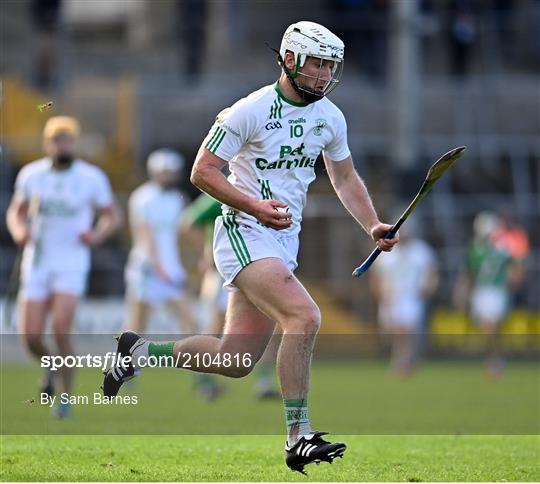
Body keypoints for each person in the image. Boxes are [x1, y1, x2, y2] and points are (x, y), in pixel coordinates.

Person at [103, 21, 398, 474]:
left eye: (330, 67)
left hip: (282, 239)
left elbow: (343, 178)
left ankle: (138, 353)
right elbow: (203, 172)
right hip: (242, 230)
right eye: (317, 64)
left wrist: (372, 224)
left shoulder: (329, 117)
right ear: (290, 59)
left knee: (235, 359)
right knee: (305, 315)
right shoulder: (248, 111)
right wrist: (254, 207)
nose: (324, 75)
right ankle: (298, 436)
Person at [6, 116, 121, 418]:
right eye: (57, 139)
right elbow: (16, 212)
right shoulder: (32, 175)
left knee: (60, 329)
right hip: (38, 262)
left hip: (71, 263)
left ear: (74, 142)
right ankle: (52, 365)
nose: (62, 144)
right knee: (31, 338)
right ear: (48, 143)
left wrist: (95, 234)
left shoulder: (91, 177)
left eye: (67, 139)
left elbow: (111, 216)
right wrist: (19, 231)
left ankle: (66, 398)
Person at [182, 192, 281, 400]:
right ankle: (204, 380)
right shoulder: (223, 195)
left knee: (270, 324)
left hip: (256, 269)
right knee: (216, 328)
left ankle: (264, 381)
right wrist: (206, 251)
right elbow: (189, 222)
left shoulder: (268, 192)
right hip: (222, 273)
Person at [124, 148, 198, 336]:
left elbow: (183, 233)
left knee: (190, 323)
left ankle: (192, 363)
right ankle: (127, 364)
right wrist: (160, 268)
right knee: (137, 324)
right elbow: (145, 236)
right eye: (166, 172)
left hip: (170, 268)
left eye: (173, 172)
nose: (169, 176)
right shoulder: (143, 197)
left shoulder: (177, 199)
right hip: (147, 268)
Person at [454, 211, 519, 378]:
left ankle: (495, 360)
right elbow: (468, 273)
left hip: (496, 291)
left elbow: (513, 268)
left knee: (491, 328)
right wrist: (462, 293)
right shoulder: (474, 249)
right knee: (487, 329)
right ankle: (493, 358)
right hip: (481, 291)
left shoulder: (501, 248)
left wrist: (513, 281)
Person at [370, 223, 438, 377]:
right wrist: (379, 293)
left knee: (405, 330)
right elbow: (377, 274)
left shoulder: (421, 251)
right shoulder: (387, 252)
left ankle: (403, 361)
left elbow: (431, 271)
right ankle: (402, 358)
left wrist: (428, 287)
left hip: (411, 296)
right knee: (391, 332)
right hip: (391, 296)